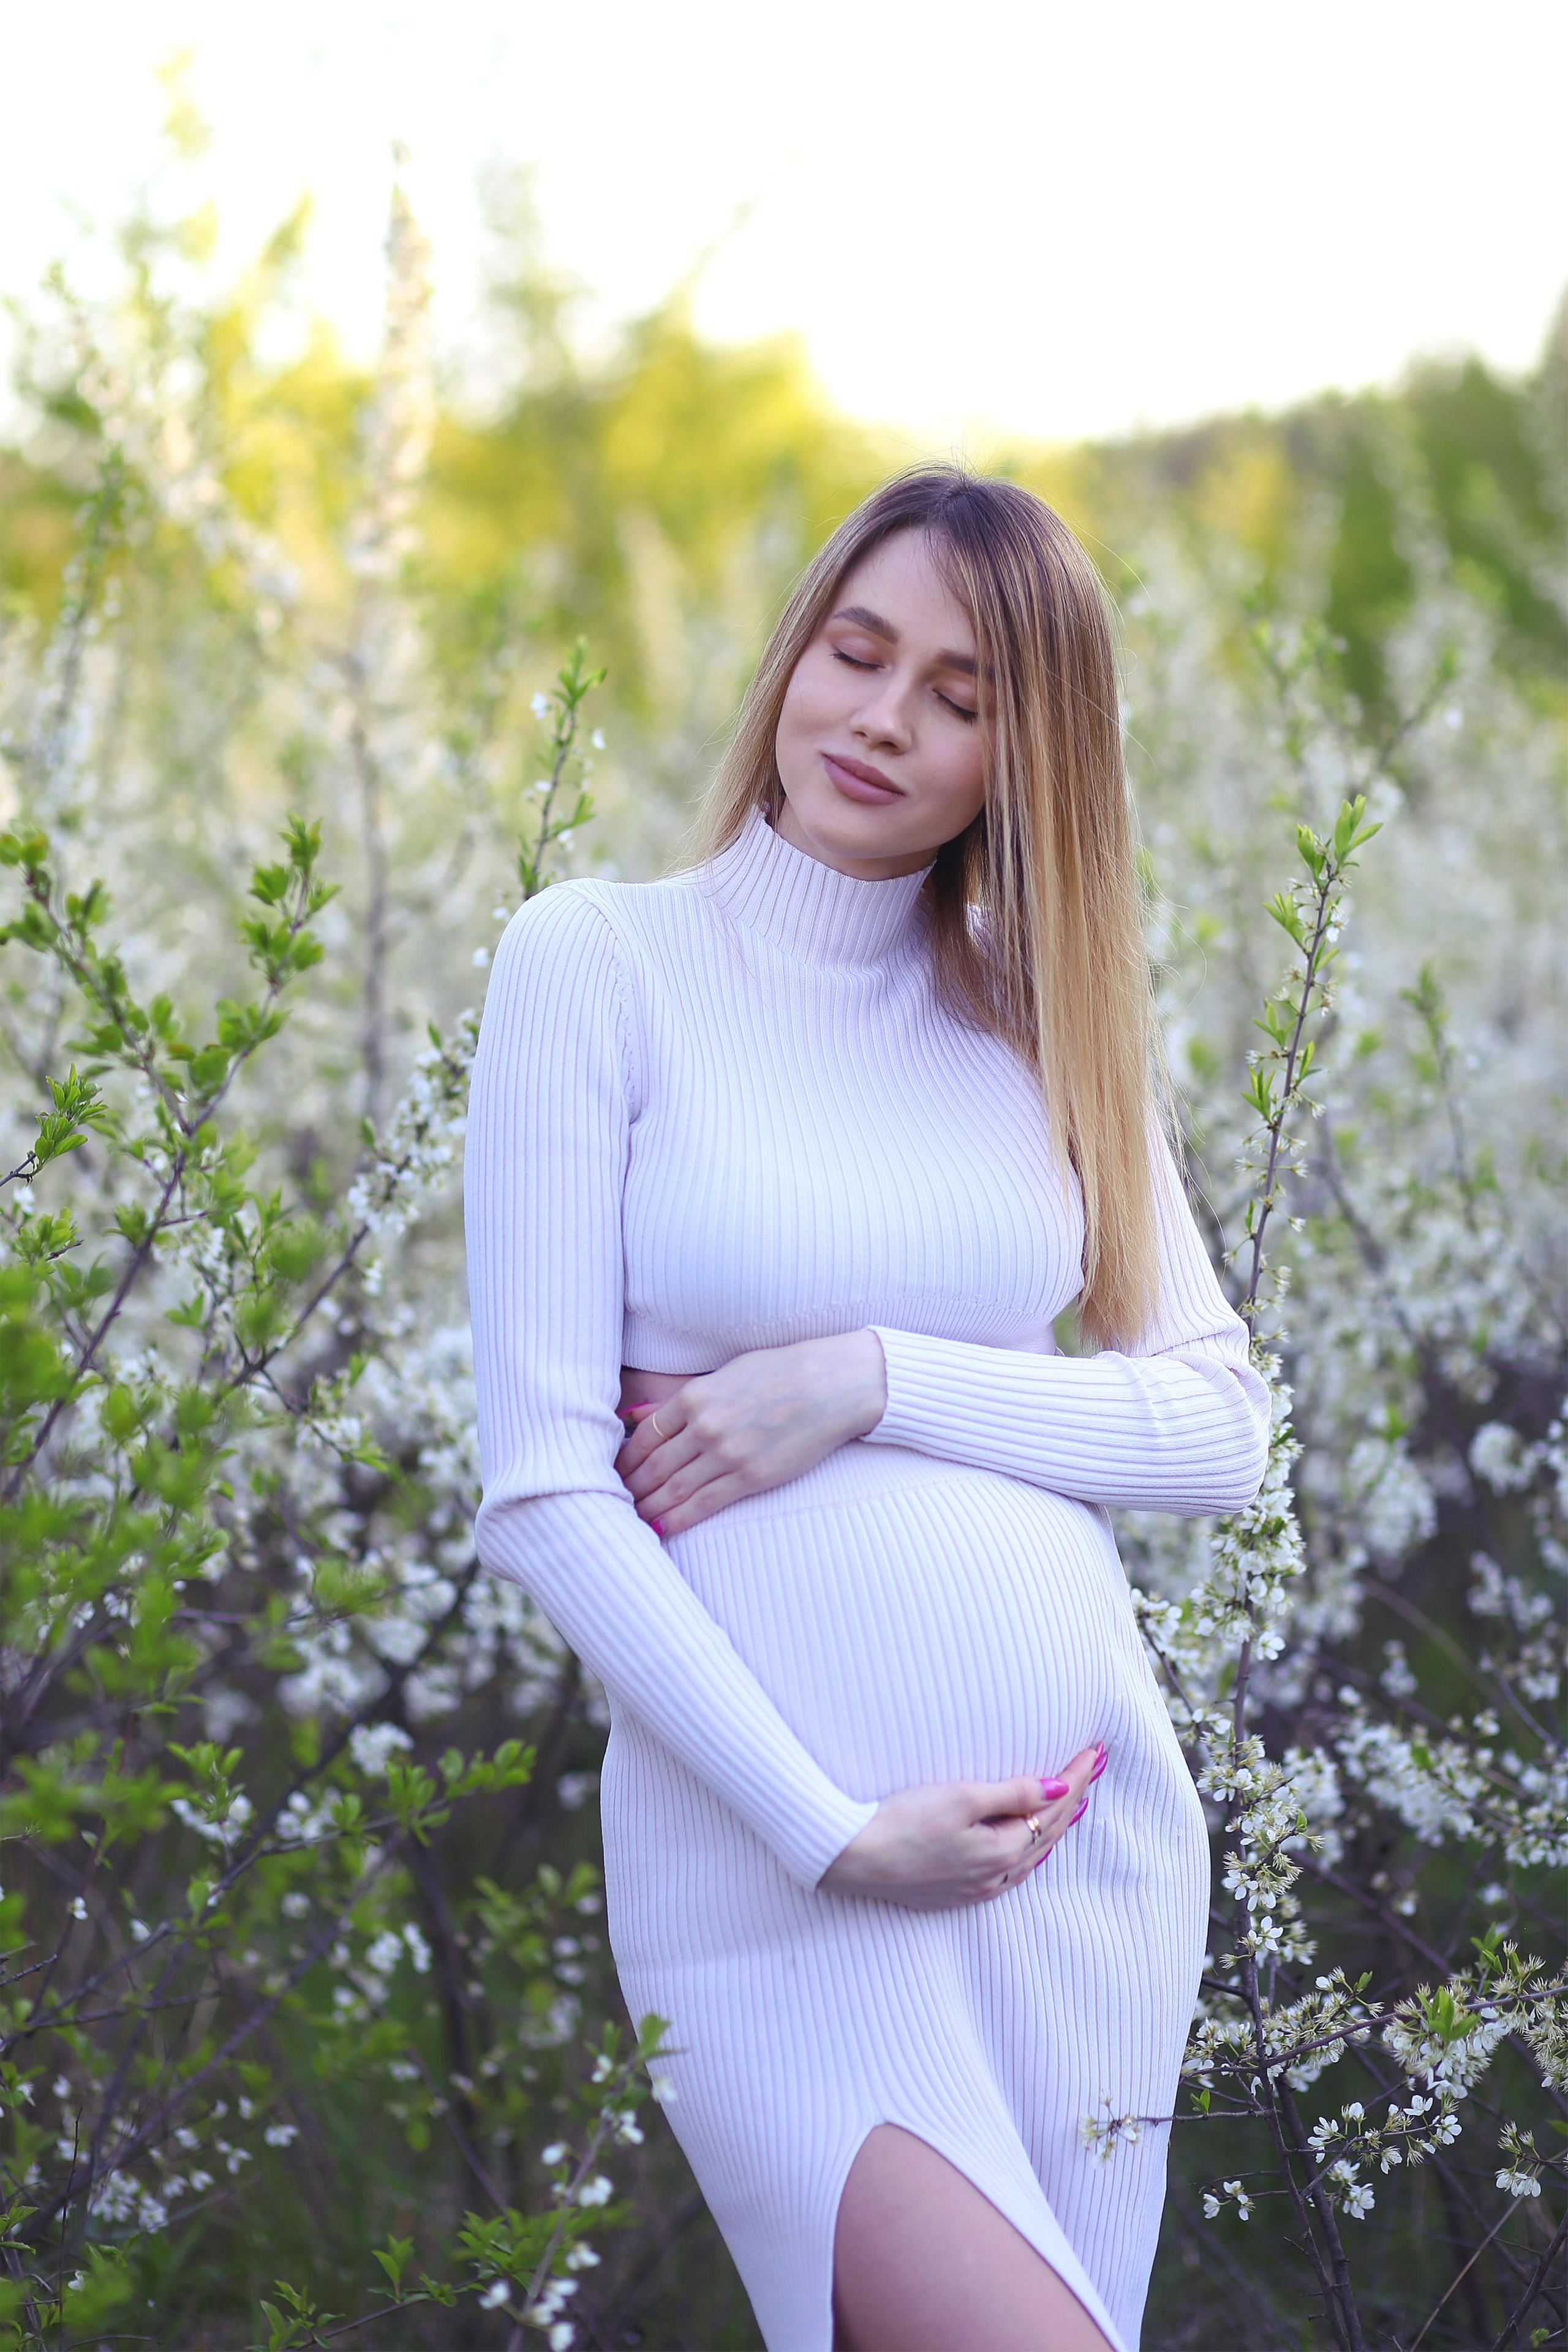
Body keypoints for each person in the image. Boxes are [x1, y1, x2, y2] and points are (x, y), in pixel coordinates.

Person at [464, 466, 1270, 2352]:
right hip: (789, 1890)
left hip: (1082, 1880)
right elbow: (541, 1491)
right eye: (858, 652)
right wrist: (828, 1831)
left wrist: (877, 1381)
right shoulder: (598, 963)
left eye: (961, 696)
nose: (882, 721)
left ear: (1025, 756)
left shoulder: (1037, 1019)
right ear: (796, 656)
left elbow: (1220, 1428)